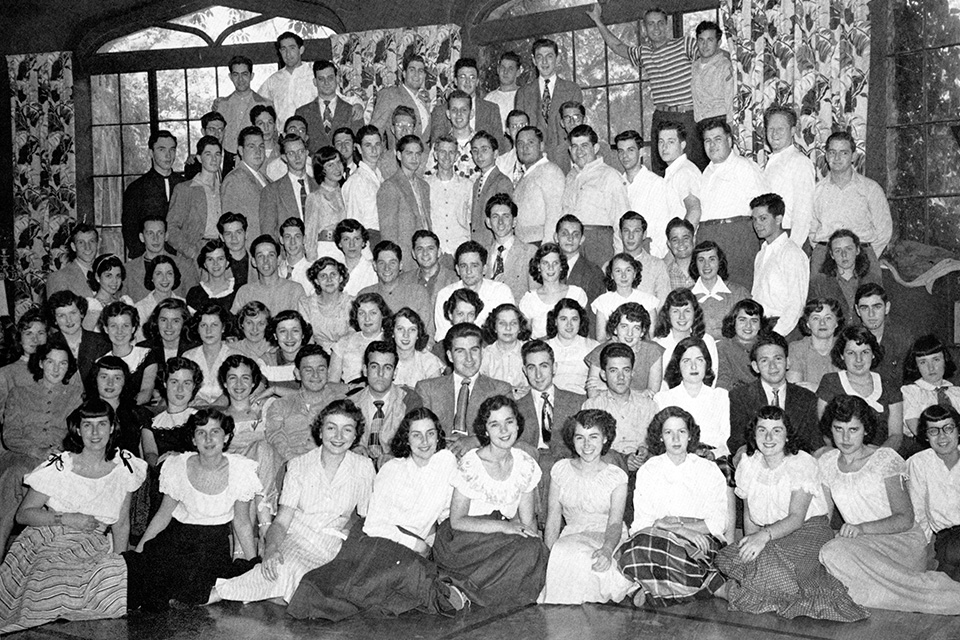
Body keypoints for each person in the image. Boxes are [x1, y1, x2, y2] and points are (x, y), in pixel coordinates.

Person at [286, 406, 467, 620]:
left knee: (397, 575)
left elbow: (447, 509)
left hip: (411, 546)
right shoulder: (392, 470)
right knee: (400, 569)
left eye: (430, 434)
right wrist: (417, 544)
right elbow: (373, 526)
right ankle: (437, 594)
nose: (424, 442)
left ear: (438, 437)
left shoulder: (446, 462)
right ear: (406, 439)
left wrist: (433, 537)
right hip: (376, 539)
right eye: (416, 435)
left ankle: (428, 590)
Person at [0, 400, 147, 634]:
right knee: (49, 576)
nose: (95, 433)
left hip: (93, 545)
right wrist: (67, 519)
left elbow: (120, 524)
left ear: (112, 428)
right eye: (87, 425)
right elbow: (23, 514)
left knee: (115, 577)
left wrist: (120, 562)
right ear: (78, 429)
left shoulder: (124, 467)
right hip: (48, 539)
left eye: (102, 424)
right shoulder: (60, 466)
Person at [714, 406, 867, 621]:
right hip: (770, 535)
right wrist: (751, 541)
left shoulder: (801, 463)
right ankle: (762, 586)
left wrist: (762, 539)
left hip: (806, 532)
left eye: (776, 430)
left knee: (768, 561)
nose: (768, 437)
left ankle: (734, 591)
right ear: (754, 434)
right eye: (762, 430)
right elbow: (750, 516)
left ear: (787, 435)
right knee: (733, 556)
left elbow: (796, 517)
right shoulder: (749, 464)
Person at [214, 399, 374, 605]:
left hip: (333, 545)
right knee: (285, 568)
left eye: (347, 430)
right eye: (331, 428)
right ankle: (220, 593)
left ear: (355, 435)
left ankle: (270, 594)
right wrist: (271, 549)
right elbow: (281, 521)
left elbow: (366, 518)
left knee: (319, 587)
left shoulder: (364, 467)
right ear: (320, 431)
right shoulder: (299, 465)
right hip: (297, 539)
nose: (338, 437)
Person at [817, 396, 960, 613]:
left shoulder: (885, 459)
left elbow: (904, 518)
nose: (845, 437)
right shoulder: (826, 463)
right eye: (838, 429)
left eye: (853, 429)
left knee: (834, 553)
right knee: (830, 553)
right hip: (861, 546)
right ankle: (919, 597)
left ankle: (940, 595)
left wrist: (862, 529)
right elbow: (824, 520)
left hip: (901, 543)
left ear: (866, 430)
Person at [125, 409, 260, 611]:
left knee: (188, 583)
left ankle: (201, 594)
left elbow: (241, 522)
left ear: (227, 436)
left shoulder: (240, 470)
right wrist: (139, 551)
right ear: (194, 439)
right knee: (135, 576)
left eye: (215, 431)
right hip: (175, 538)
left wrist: (252, 564)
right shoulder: (178, 465)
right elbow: (163, 515)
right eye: (201, 432)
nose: (208, 438)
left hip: (211, 546)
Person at [432, 395, 548, 606]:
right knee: (525, 552)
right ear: (485, 431)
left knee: (534, 549)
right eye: (495, 424)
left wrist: (538, 549)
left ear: (517, 424)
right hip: (462, 539)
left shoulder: (525, 463)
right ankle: (466, 587)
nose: (504, 431)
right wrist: (503, 527)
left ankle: (463, 590)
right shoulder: (471, 463)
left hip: (499, 539)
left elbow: (527, 520)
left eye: (509, 422)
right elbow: (457, 521)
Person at [616, 406, 728, 606]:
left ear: (690, 436)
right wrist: (674, 529)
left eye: (681, 432)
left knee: (661, 554)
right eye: (668, 432)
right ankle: (707, 584)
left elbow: (718, 524)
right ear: (660, 437)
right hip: (659, 538)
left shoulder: (708, 469)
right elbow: (642, 524)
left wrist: (682, 530)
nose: (676, 439)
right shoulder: (649, 470)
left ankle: (654, 588)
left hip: (701, 541)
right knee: (632, 552)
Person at [588, 5, 706, 173]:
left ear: (666, 25)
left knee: (693, 169)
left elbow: (710, 56)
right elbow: (617, 46)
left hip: (687, 116)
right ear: (645, 28)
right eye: (651, 24)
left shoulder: (685, 44)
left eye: (660, 23)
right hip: (662, 116)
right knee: (663, 171)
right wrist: (597, 21)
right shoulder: (644, 52)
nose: (656, 28)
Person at [540, 408, 632, 605]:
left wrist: (607, 550)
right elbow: (553, 518)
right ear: (572, 440)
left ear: (605, 439)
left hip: (606, 537)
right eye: (580, 437)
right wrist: (549, 555)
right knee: (566, 554)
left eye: (594, 437)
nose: (587, 444)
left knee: (583, 562)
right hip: (572, 536)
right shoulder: (561, 470)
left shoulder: (616, 477)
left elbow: (615, 522)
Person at [0, 338, 83, 554]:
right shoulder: (19, 393)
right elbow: (10, 436)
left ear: (69, 367)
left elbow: (77, 436)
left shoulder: (75, 397)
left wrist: (59, 452)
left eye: (62, 363)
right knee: (16, 473)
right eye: (50, 362)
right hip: (22, 455)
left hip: (59, 458)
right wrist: (37, 451)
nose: (56, 369)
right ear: (40, 363)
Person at [415, 323, 514, 456]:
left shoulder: (500, 390)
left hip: (483, 458)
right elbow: (418, 432)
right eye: (460, 351)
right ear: (450, 356)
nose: (469, 358)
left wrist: (475, 440)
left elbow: (509, 431)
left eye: (474, 350)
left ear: (481, 352)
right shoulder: (427, 389)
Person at [810, 131, 891, 280]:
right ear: (826, 156)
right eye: (832, 152)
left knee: (869, 300)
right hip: (825, 257)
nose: (837, 158)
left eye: (844, 153)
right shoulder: (816, 191)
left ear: (853, 156)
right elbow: (811, 229)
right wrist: (828, 255)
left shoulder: (870, 189)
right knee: (822, 302)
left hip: (862, 256)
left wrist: (865, 256)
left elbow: (884, 230)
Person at [699, 119, 768, 287]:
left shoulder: (745, 167)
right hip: (710, 241)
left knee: (741, 294)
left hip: (738, 241)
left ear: (729, 141)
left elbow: (763, 209)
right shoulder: (706, 172)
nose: (712, 145)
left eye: (717, 139)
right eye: (707, 141)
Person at [816, 325, 904, 451]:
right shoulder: (830, 382)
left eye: (865, 352)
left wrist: (876, 458)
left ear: (873, 354)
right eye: (851, 353)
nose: (858, 359)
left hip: (879, 456)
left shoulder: (889, 385)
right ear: (841, 355)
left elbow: (896, 435)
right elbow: (826, 433)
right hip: (842, 456)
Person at [219, 355, 280, 536]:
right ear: (224, 383)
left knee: (263, 449)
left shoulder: (268, 409)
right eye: (232, 378)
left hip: (266, 474)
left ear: (254, 383)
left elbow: (308, 398)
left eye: (245, 378)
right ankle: (265, 526)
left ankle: (258, 531)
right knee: (260, 449)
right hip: (234, 477)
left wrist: (274, 389)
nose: (239, 384)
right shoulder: (219, 418)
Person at [514, 340, 585, 492]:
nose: (538, 374)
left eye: (544, 366)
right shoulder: (515, 407)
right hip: (531, 466)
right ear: (524, 371)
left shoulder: (577, 401)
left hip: (568, 465)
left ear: (554, 368)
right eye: (531, 368)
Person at [264, 344, 348, 464]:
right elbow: (275, 437)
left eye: (321, 369)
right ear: (297, 373)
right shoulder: (280, 405)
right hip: (291, 465)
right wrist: (294, 460)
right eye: (308, 370)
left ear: (328, 372)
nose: (315, 375)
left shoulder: (342, 405)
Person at [654, 336, 732, 463]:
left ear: (707, 364)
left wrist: (713, 454)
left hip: (714, 459)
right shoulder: (663, 399)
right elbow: (660, 441)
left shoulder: (720, 396)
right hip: (676, 459)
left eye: (699, 360)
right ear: (677, 365)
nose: (694, 366)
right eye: (686, 361)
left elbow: (727, 441)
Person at [583, 343, 658, 473]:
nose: (621, 377)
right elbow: (588, 447)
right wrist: (623, 460)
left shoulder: (649, 406)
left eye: (626, 370)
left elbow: (657, 444)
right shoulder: (593, 406)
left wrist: (645, 452)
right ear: (603, 375)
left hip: (644, 470)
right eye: (613, 370)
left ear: (632, 373)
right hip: (608, 471)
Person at [560, 124, 628, 268]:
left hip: (599, 246)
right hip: (572, 244)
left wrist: (617, 259)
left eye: (584, 145)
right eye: (574, 146)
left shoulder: (609, 175)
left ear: (596, 148)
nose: (579, 151)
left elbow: (620, 221)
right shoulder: (570, 177)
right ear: (569, 150)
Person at [907, 405, 960, 582]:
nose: (942, 436)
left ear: (958, 430)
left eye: (948, 428)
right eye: (933, 431)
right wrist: (921, 552)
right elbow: (918, 512)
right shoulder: (919, 463)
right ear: (926, 436)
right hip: (947, 538)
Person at [515, 38, 583, 167]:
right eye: (539, 57)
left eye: (549, 56)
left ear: (557, 59)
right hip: (534, 161)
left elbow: (577, 129)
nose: (544, 62)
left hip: (566, 159)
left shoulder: (572, 90)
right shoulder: (523, 93)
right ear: (534, 61)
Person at [352, 341, 423, 465]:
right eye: (374, 366)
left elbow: (415, 439)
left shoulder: (410, 400)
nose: (380, 373)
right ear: (364, 370)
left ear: (395, 372)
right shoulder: (351, 403)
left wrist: (394, 455)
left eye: (387, 367)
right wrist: (353, 448)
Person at [615, 130, 683, 258]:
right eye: (621, 151)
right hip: (623, 258)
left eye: (630, 150)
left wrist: (654, 258)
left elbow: (662, 226)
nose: (625, 156)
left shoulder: (656, 184)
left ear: (641, 152)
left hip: (650, 255)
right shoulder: (617, 184)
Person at [750, 193, 810, 336]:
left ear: (778, 219)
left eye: (763, 218)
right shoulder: (761, 253)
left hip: (782, 329)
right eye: (754, 219)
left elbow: (796, 304)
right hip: (761, 326)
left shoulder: (792, 253)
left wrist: (776, 334)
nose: (757, 224)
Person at [433, 240, 515, 341]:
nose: (468, 271)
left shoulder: (501, 292)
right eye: (463, 266)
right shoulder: (445, 295)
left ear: (484, 269)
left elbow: (508, 332)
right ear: (457, 269)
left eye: (474, 265)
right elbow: (443, 337)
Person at [121, 130, 185, 259]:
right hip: (148, 259)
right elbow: (130, 230)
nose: (168, 155)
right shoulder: (136, 188)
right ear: (151, 153)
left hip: (181, 258)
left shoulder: (185, 184)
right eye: (162, 149)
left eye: (172, 150)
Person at [377, 135, 433, 272]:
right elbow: (388, 231)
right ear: (399, 155)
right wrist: (395, 261)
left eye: (418, 154)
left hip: (425, 256)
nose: (414, 158)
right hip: (405, 258)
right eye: (409, 153)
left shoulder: (424, 186)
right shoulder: (390, 186)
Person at [762, 105, 815, 249]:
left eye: (780, 129)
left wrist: (793, 248)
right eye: (770, 129)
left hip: (789, 238)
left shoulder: (800, 162)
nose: (774, 134)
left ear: (792, 131)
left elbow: (803, 213)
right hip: (770, 238)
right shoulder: (770, 163)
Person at [586, 302, 664, 396]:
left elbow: (652, 393)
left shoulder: (653, 351)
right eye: (624, 327)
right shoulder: (600, 352)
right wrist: (639, 393)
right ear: (615, 329)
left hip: (641, 407)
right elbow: (592, 394)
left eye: (636, 328)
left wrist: (607, 389)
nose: (629, 333)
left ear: (642, 332)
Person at [167, 135, 223, 261]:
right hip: (194, 254)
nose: (214, 159)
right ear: (199, 158)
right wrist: (191, 252)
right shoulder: (185, 189)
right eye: (208, 154)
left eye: (217, 154)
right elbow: (171, 228)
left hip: (220, 252)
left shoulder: (224, 189)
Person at [360, 242, 434, 338]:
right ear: (374, 265)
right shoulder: (364, 295)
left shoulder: (417, 293)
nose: (387, 268)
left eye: (392, 263)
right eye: (381, 263)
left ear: (400, 265)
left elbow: (427, 332)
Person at [430, 58, 503, 150]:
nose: (468, 81)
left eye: (472, 77)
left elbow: (499, 147)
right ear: (455, 81)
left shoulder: (491, 110)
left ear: (477, 82)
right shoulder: (440, 111)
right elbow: (435, 148)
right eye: (463, 77)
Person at [809, 229, 880, 321]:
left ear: (857, 250)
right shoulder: (819, 283)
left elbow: (881, 316)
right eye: (838, 250)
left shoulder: (872, 280)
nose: (844, 254)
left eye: (849, 249)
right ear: (831, 255)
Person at [519, 242, 587, 339]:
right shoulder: (530, 299)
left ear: (561, 266)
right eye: (545, 263)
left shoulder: (576, 294)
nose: (550, 268)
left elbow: (583, 331)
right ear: (538, 267)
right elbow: (525, 336)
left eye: (555, 263)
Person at [124, 216, 198, 304]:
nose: (155, 238)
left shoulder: (185, 266)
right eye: (150, 233)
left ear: (166, 236)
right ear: (142, 237)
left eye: (160, 233)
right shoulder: (128, 270)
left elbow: (193, 303)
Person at [652, 288, 719, 383]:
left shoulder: (707, 341)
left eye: (687, 311)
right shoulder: (657, 345)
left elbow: (712, 377)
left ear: (695, 314)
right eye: (676, 311)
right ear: (667, 315)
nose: (682, 317)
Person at [259, 133, 319, 239]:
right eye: (291, 153)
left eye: (301, 151)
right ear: (284, 158)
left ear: (307, 153)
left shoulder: (318, 187)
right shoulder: (272, 191)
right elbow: (268, 233)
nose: (297, 157)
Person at [855, 282, 913, 392]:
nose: (871, 314)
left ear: (887, 308)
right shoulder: (851, 339)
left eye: (877, 307)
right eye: (864, 308)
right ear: (857, 310)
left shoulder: (903, 339)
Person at [295, 60, 364, 153]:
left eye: (330, 78)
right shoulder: (302, 113)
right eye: (321, 79)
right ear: (315, 82)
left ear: (337, 79)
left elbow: (358, 146)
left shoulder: (353, 111)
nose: (326, 83)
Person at [901, 335, 960, 443]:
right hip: (924, 447)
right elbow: (916, 429)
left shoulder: (957, 392)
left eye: (936, 360)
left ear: (945, 361)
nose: (931, 368)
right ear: (916, 366)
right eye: (923, 362)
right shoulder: (910, 392)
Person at [99, 301, 158, 407]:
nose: (119, 331)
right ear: (106, 329)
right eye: (113, 326)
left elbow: (146, 392)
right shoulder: (101, 361)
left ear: (134, 328)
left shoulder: (146, 355)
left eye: (125, 326)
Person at [212, 56, 271, 161]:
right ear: (230, 76)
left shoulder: (265, 104)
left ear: (251, 76)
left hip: (256, 159)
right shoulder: (222, 105)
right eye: (236, 75)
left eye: (244, 74)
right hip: (228, 160)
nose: (240, 79)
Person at [514, 125, 566, 244]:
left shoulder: (549, 170)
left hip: (540, 243)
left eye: (530, 142)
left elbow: (555, 213)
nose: (525, 147)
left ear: (541, 146)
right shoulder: (526, 174)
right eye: (520, 143)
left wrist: (548, 246)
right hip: (524, 244)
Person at [46, 291, 110, 386]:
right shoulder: (48, 344)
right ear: (55, 320)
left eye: (73, 313)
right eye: (61, 316)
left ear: (81, 313)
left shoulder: (101, 342)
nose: (69, 320)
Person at [232, 235, 306, 315]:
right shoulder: (245, 292)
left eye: (271, 255)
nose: (265, 260)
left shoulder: (295, 290)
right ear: (254, 261)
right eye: (260, 256)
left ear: (278, 260)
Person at [592, 252, 659, 342]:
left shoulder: (648, 300)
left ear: (634, 274)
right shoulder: (602, 301)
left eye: (628, 270)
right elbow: (601, 339)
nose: (623, 275)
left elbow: (652, 337)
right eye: (618, 271)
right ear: (612, 275)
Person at [690, 241, 749, 340]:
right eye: (701, 260)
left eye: (712, 259)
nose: (706, 265)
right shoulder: (687, 296)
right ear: (695, 264)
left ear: (719, 262)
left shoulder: (739, 293)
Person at [483, 193, 537, 302]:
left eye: (506, 216)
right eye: (495, 216)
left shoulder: (530, 252)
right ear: (488, 222)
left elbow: (535, 297)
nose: (500, 222)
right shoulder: (483, 254)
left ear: (514, 221)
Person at [425, 135, 473, 255]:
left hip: (461, 250)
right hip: (435, 252)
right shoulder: (425, 185)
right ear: (435, 155)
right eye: (442, 152)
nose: (447, 157)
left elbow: (471, 218)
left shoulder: (467, 185)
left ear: (457, 156)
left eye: (451, 152)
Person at [183, 303, 237, 406]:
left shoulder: (235, 356)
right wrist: (197, 401)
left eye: (214, 325)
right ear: (198, 329)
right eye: (203, 325)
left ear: (223, 327)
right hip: (196, 410)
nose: (208, 331)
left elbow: (236, 390)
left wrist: (212, 407)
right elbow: (184, 389)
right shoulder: (188, 357)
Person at [329, 292, 390, 384]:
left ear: (383, 315)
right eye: (361, 313)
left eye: (373, 313)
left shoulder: (391, 340)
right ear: (356, 316)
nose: (367, 319)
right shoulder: (344, 342)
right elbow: (332, 383)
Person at [220, 128, 268, 245]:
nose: (258, 151)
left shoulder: (264, 178)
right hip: (251, 249)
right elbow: (231, 228)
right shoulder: (234, 179)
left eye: (261, 146)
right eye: (252, 146)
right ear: (241, 150)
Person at [258, 32, 316, 127]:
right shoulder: (273, 80)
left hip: (310, 134)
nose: (288, 54)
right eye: (283, 49)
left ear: (301, 50)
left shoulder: (314, 76)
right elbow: (259, 104)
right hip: (283, 137)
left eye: (292, 48)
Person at [786, 297, 844, 392]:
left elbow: (852, 391)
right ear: (808, 323)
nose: (822, 323)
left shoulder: (845, 347)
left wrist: (819, 389)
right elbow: (795, 391)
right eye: (816, 318)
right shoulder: (797, 348)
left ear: (837, 322)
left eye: (828, 318)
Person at [371, 54, 431, 142]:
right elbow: (375, 131)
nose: (416, 75)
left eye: (420, 71)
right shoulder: (390, 94)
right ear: (404, 74)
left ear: (424, 76)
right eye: (412, 70)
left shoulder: (423, 100)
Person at [297, 257, 353, 351]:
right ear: (316, 281)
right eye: (323, 276)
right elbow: (308, 339)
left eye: (333, 274)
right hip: (317, 355)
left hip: (348, 354)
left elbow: (354, 336)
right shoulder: (306, 305)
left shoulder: (353, 303)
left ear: (340, 278)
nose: (329, 280)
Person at [0, 307, 49, 414]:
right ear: (19, 339)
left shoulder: (57, 368)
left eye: (40, 333)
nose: (35, 339)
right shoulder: (5, 374)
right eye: (28, 334)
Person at [342, 126, 385, 245]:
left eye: (377, 144)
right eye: (368, 145)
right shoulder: (356, 181)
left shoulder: (380, 177)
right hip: (368, 241)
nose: (374, 150)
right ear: (359, 148)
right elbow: (353, 222)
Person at [545, 299, 598, 395]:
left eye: (574, 319)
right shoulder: (544, 348)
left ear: (580, 321)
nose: (569, 324)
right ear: (555, 321)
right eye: (563, 319)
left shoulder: (593, 347)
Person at [469, 131, 514, 244]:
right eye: (475, 151)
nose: (479, 155)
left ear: (495, 154)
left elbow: (504, 220)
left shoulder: (502, 181)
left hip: (493, 244)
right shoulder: (477, 182)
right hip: (479, 243)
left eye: (484, 150)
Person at [617, 211, 671, 302]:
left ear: (644, 234)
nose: (631, 236)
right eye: (626, 231)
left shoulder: (657, 266)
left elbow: (663, 304)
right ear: (620, 234)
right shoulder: (610, 266)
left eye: (636, 231)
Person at [304, 147, 347, 261]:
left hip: (347, 249)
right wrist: (312, 261)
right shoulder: (315, 197)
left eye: (338, 162)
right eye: (330, 165)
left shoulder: (347, 192)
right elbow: (310, 235)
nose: (337, 168)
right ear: (321, 170)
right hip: (327, 250)